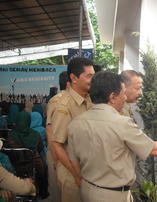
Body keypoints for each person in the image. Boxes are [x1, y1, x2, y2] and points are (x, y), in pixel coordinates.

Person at [67, 71, 157, 202]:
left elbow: (73, 161)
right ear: (112, 97)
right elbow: (153, 149)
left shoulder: (75, 123)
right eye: (123, 94)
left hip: (87, 190)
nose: (125, 98)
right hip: (113, 195)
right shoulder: (122, 123)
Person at [51, 58, 95, 202]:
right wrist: (76, 175)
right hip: (72, 174)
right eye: (89, 76)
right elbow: (57, 145)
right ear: (74, 78)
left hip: (89, 172)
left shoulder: (90, 100)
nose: (93, 79)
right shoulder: (64, 106)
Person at [7, 111, 49, 199]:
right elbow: (41, 148)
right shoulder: (36, 134)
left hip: (14, 167)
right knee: (43, 162)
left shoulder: (10, 135)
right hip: (33, 166)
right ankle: (43, 191)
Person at [46, 70, 70, 202]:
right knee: (58, 194)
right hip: (58, 154)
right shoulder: (56, 101)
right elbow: (49, 130)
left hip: (68, 157)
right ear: (68, 83)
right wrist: (56, 159)